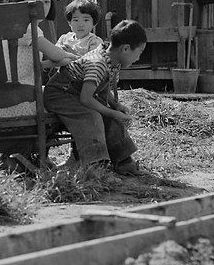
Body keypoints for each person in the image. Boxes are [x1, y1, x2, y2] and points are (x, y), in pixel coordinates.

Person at [43, 19, 148, 176]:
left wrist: (114, 105)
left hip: (77, 93)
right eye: (139, 53)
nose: (138, 58)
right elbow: (86, 99)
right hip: (60, 93)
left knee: (109, 116)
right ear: (126, 49)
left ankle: (124, 161)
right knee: (92, 117)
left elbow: (101, 87)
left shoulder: (112, 59)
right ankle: (95, 167)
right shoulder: (98, 64)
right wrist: (111, 112)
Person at [0, 0, 77, 121]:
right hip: (18, 102)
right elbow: (56, 54)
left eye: (47, 1)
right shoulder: (27, 27)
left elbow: (30, 65)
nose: (42, 5)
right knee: (68, 99)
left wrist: (63, 60)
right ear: (22, 1)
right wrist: (74, 57)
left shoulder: (8, 24)